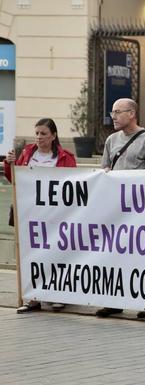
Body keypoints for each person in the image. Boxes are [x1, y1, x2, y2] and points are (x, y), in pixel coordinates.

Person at [97, 98, 145, 319]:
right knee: (114, 255)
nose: (113, 116)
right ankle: (114, 301)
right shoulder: (111, 140)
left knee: (141, 257)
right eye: (112, 112)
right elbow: (104, 168)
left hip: (139, 209)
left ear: (132, 113)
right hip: (116, 209)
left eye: (118, 112)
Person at [3, 118, 76, 313]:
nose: (39, 137)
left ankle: (58, 295)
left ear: (53, 136)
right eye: (36, 133)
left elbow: (73, 184)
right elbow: (14, 179)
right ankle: (33, 297)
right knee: (31, 254)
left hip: (54, 214)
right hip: (29, 213)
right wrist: (9, 164)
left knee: (57, 254)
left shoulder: (64, 157)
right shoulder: (26, 153)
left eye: (43, 133)